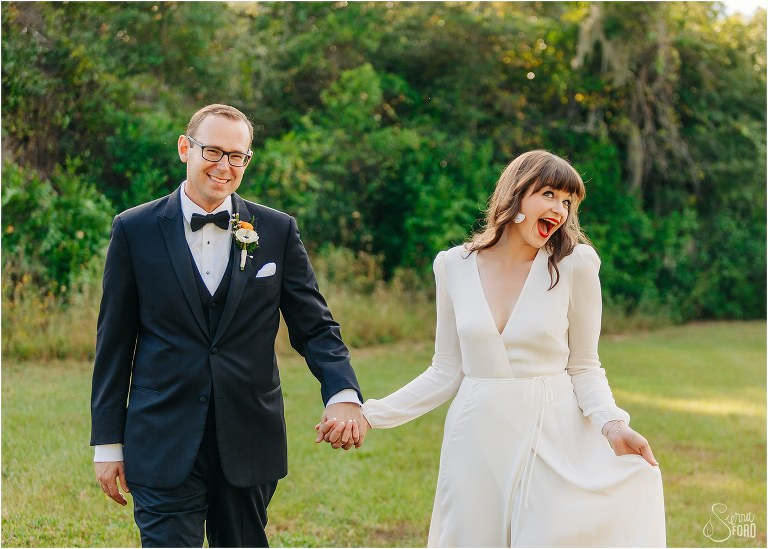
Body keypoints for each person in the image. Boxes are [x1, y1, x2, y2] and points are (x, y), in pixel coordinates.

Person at [321, 150, 666, 547]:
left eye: (568, 202)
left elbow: (585, 366)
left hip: (551, 431)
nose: (560, 209)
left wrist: (613, 424)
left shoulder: (576, 265)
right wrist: (369, 415)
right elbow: (445, 370)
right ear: (515, 195)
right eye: (549, 194)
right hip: (476, 434)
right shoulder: (453, 266)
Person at [90, 103, 367, 548]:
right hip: (161, 436)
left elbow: (314, 327)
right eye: (213, 151)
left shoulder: (276, 230)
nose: (225, 166)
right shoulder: (134, 230)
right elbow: (114, 345)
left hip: (249, 437)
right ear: (185, 148)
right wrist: (107, 444)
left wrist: (343, 393)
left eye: (237, 156)